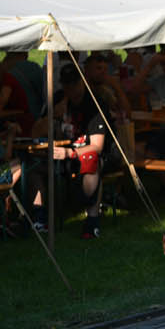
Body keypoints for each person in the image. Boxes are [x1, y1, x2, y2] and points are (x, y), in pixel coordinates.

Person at [31, 67, 121, 239]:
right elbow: (35, 132)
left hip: (97, 154)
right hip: (63, 154)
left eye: (74, 84)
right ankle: (39, 217)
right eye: (67, 85)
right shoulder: (58, 99)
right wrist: (53, 116)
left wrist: (69, 153)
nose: (71, 89)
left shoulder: (94, 103)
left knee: (91, 163)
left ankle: (92, 222)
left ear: (82, 82)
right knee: (34, 170)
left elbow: (97, 146)